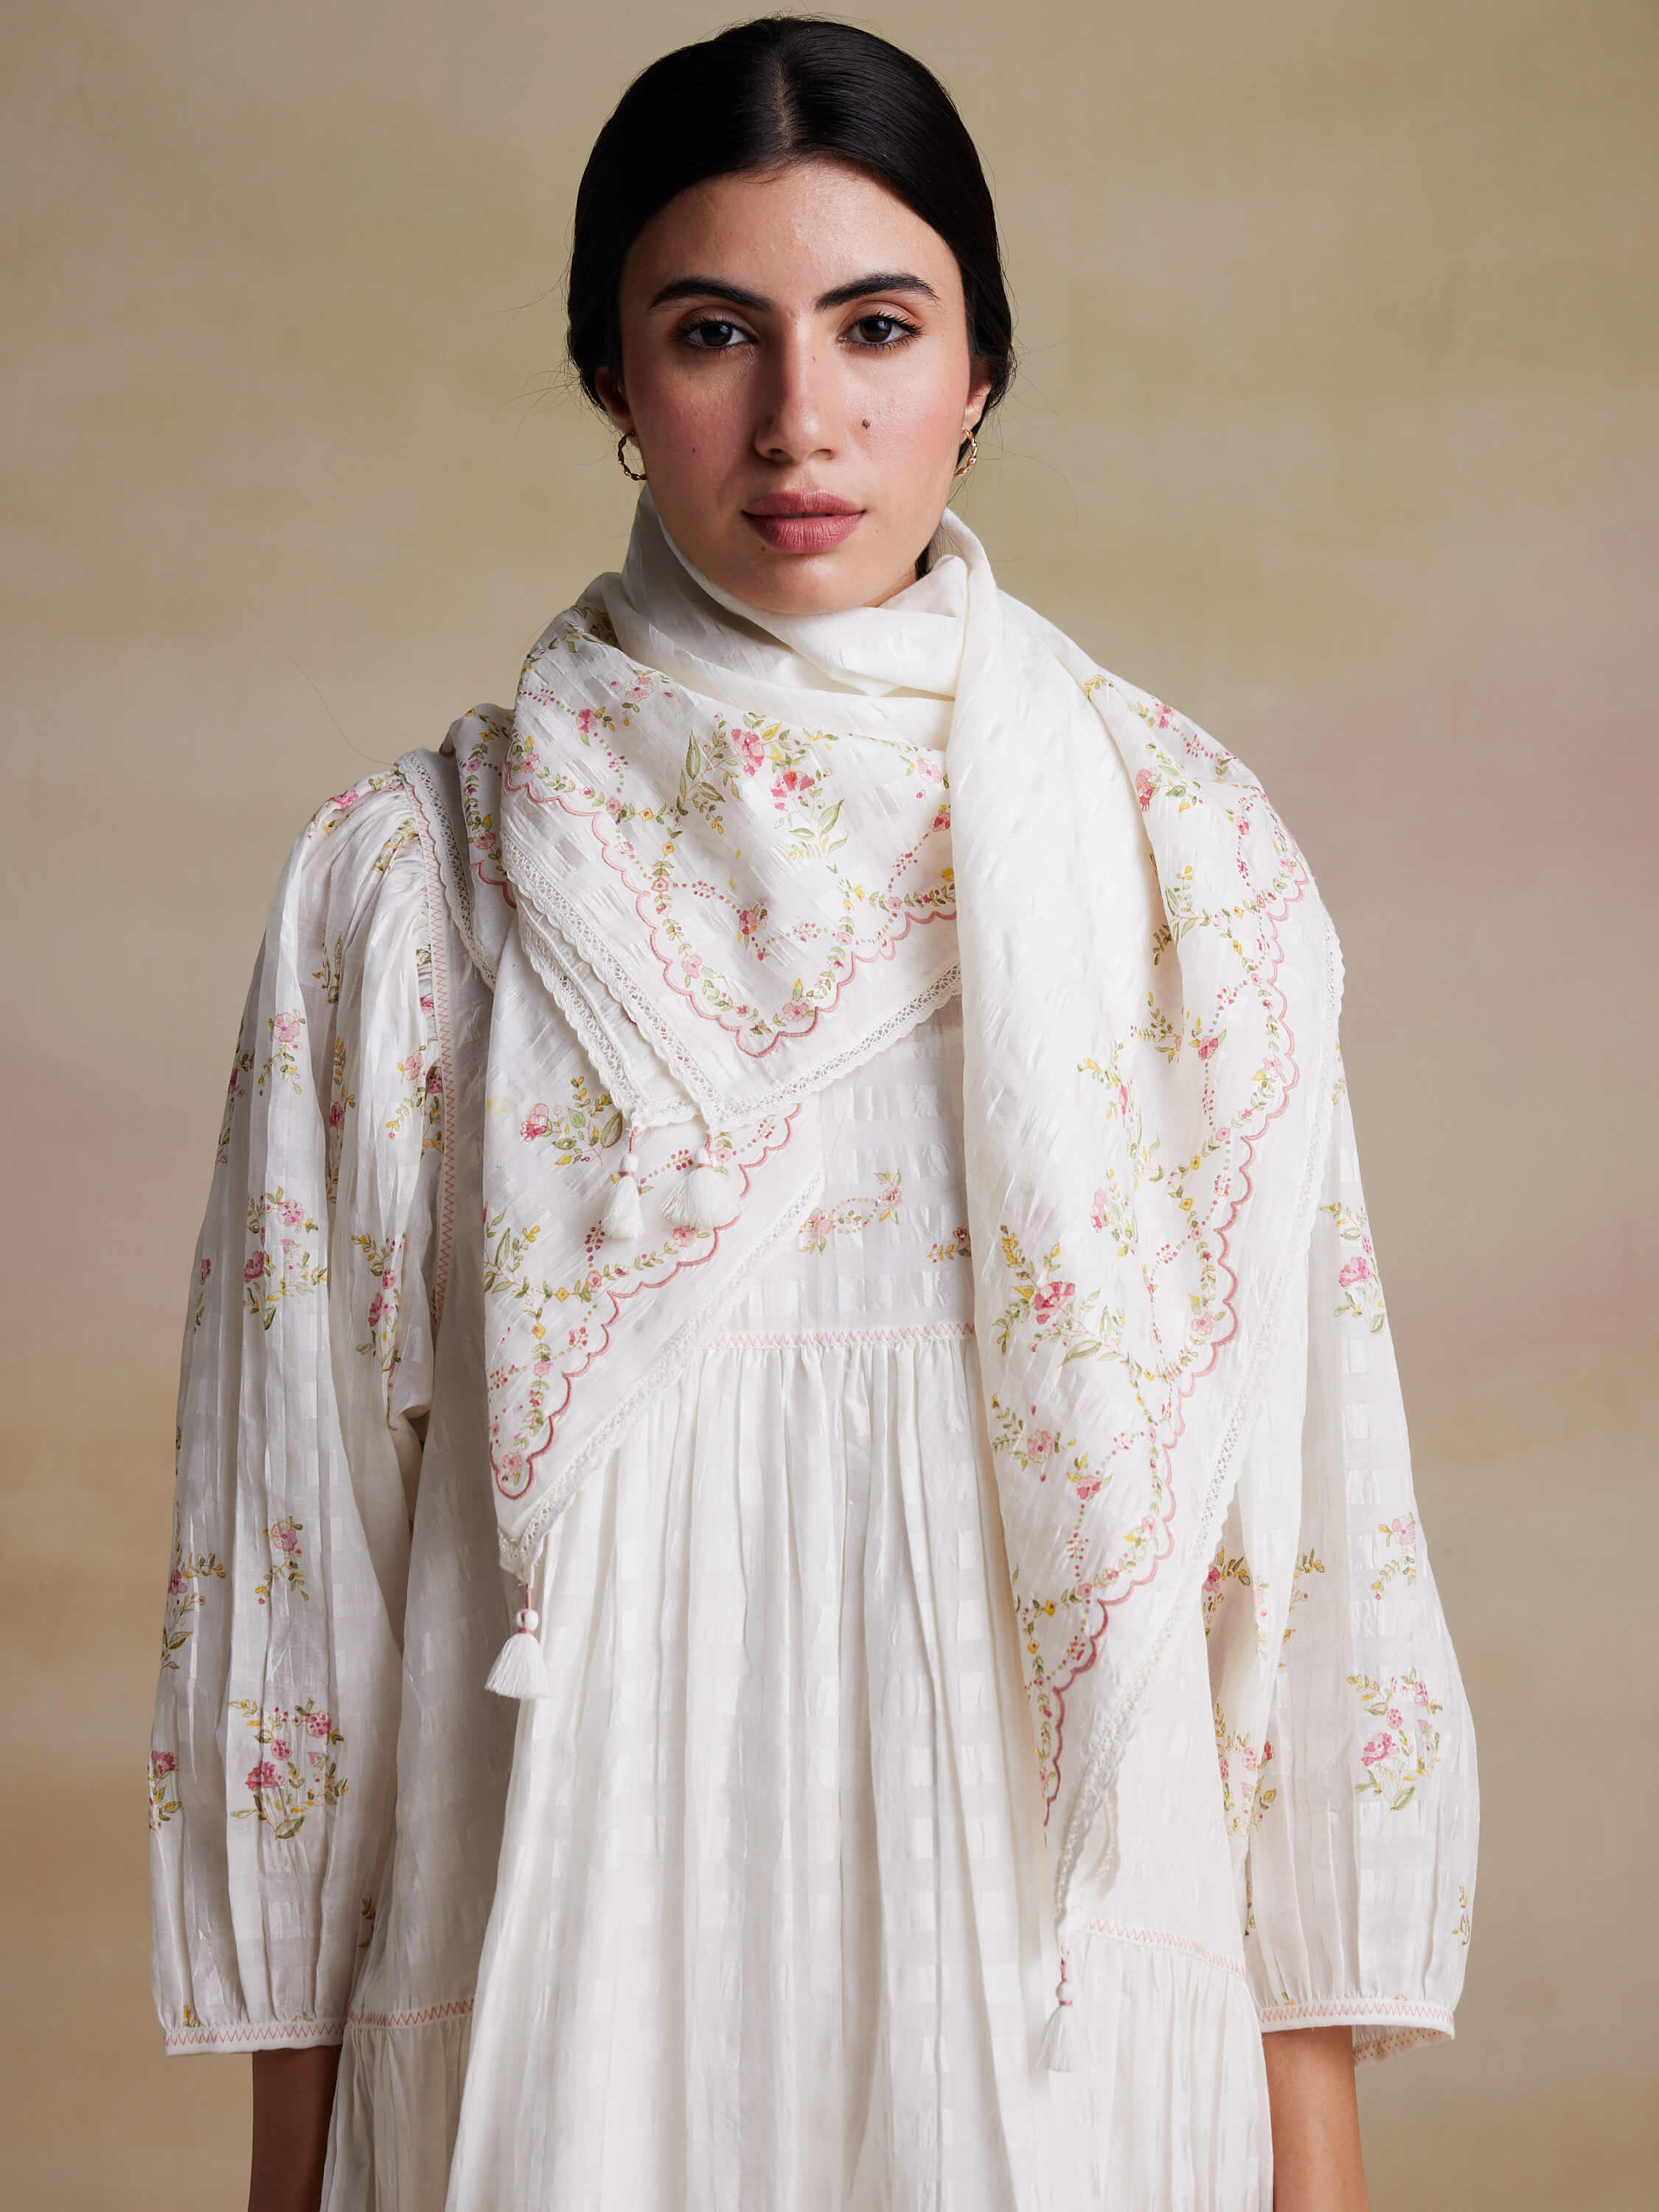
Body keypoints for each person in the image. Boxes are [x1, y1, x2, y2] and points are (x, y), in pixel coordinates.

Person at [147, 20, 1478, 2211]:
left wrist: (1313, 2163)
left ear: (979, 367)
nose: (802, 421)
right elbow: (298, 1565)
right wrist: (290, 2171)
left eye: (877, 327)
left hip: (1053, 2020)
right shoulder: (417, 887)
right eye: (709, 334)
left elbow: (1300, 1521)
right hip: (554, 1986)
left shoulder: (1174, 863)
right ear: (607, 379)